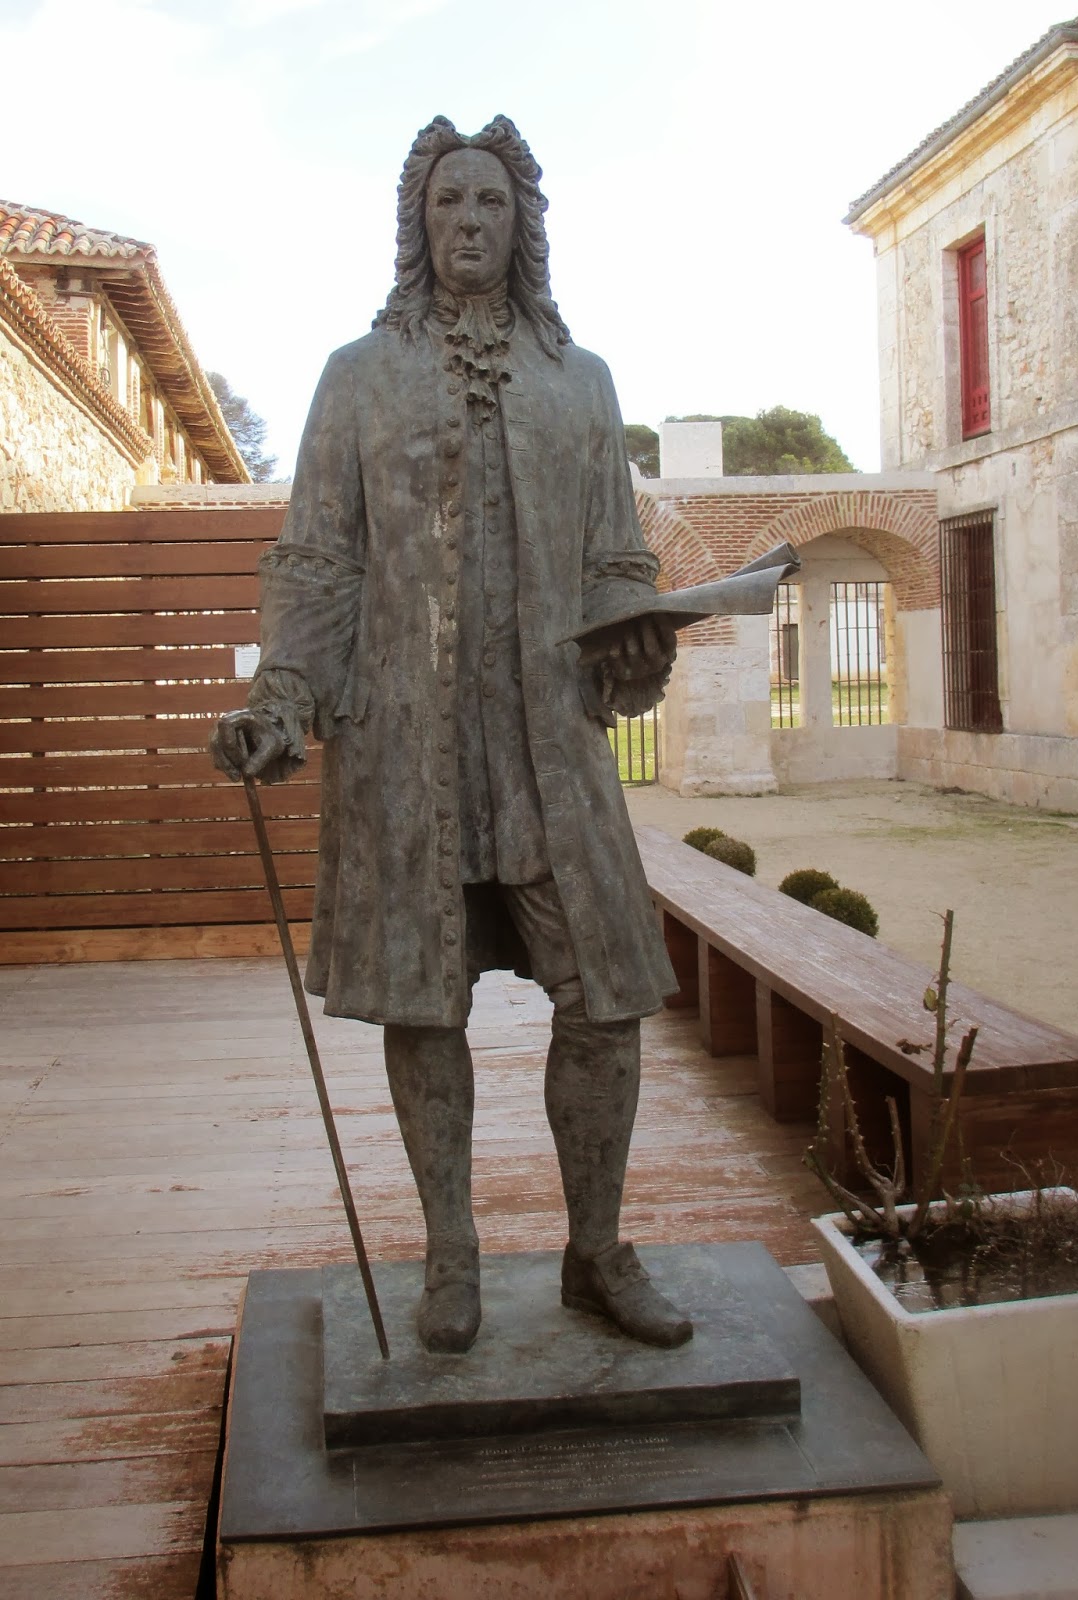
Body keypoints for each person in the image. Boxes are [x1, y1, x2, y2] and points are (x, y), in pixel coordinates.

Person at [210, 115, 690, 1355]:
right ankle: (452, 1254)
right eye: (446, 203)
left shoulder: (582, 381)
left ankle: (596, 1251)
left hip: (548, 748)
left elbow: (617, 555)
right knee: (426, 1006)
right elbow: (318, 559)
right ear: (416, 226)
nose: (468, 221)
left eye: (489, 202)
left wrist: (634, 634)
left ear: (523, 223)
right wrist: (281, 701)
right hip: (407, 749)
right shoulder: (356, 376)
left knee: (606, 996)